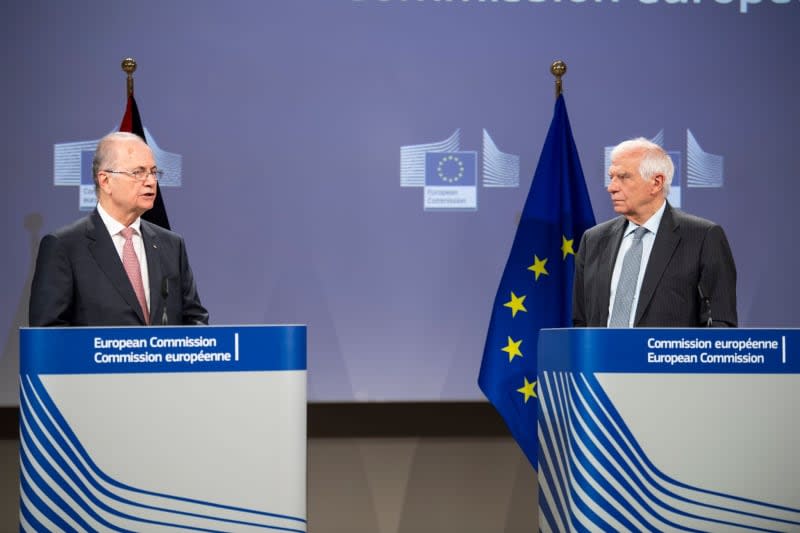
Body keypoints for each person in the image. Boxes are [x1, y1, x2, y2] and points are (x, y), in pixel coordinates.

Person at [29, 132, 209, 327]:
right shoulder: (64, 247)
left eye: (153, 172)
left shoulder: (171, 245)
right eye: (138, 172)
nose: (150, 181)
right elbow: (48, 332)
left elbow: (195, 320)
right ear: (105, 181)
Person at [573, 137, 737, 327]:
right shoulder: (594, 240)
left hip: (669, 356)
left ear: (657, 183)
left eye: (624, 177)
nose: (612, 188)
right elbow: (581, 322)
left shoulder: (702, 237)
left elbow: (720, 324)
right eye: (612, 177)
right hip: (603, 356)